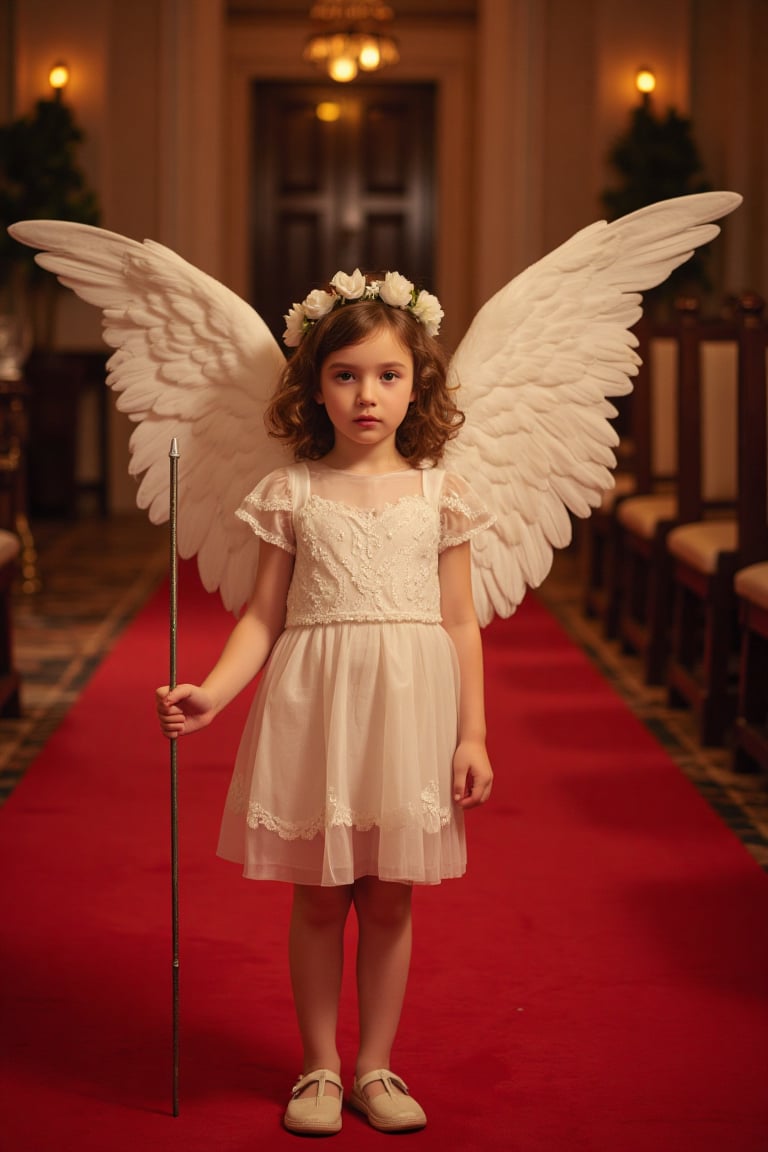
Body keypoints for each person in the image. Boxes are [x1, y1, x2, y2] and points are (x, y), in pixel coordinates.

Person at [156, 269, 495, 1136]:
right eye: (344, 375)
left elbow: (461, 622)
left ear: (418, 385)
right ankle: (318, 1066)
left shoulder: (438, 492)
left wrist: (473, 735)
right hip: (318, 704)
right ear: (315, 386)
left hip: (408, 706)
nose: (366, 395)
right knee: (318, 894)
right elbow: (263, 617)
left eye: (387, 375)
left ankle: (376, 1067)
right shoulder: (292, 491)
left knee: (389, 895)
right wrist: (213, 694)